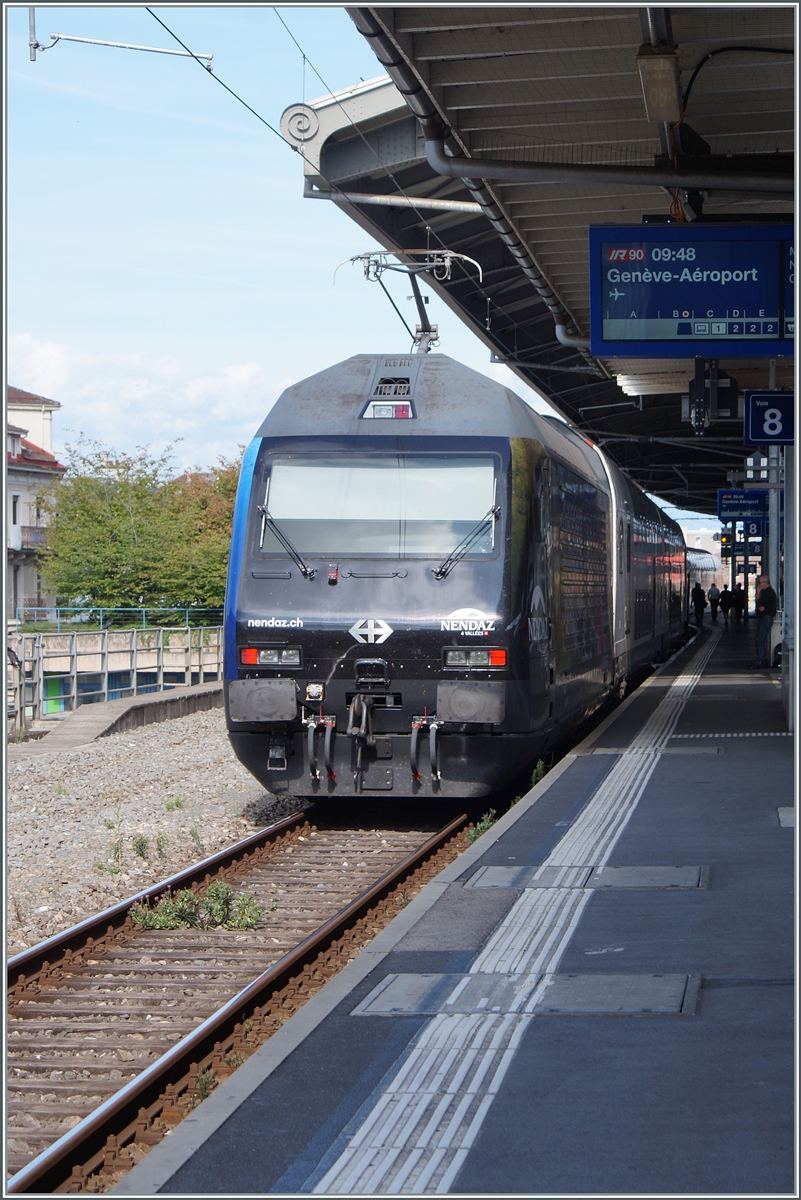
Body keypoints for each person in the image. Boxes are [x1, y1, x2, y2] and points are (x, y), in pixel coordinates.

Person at [751, 574, 778, 668]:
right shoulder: (768, 592)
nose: (759, 585)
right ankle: (760, 659)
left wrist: (757, 593)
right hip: (765, 618)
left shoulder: (767, 592)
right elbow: (759, 606)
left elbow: (758, 603)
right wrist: (760, 607)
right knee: (761, 639)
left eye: (759, 583)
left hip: (766, 618)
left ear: (765, 583)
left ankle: (759, 661)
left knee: (759, 639)